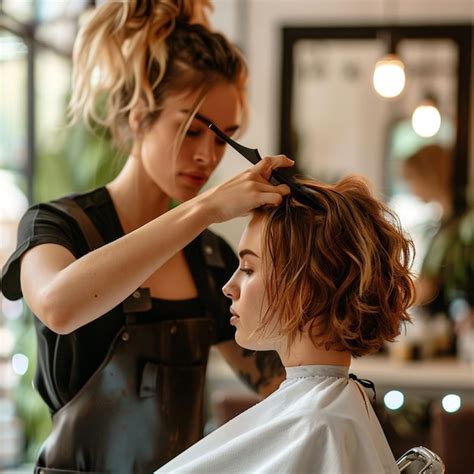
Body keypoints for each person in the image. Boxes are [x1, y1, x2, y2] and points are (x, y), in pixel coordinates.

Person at [0, 1, 291, 472]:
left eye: (224, 138)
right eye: (192, 130)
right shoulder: (57, 226)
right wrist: (205, 209)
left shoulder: (211, 259)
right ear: (139, 117)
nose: (207, 156)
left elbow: (276, 384)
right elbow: (59, 306)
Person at [157, 175, 415, 473]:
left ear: (309, 288)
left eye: (249, 269)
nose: (229, 286)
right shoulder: (334, 410)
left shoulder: (319, 424)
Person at [401, 144, 473, 317]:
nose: (410, 188)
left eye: (411, 179)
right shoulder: (444, 222)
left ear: (428, 175)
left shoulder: (463, 223)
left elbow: (441, 282)